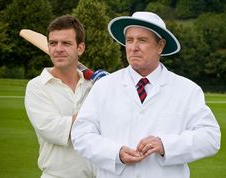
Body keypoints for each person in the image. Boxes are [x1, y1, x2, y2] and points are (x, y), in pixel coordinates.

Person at [71, 12, 221, 178]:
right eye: (129, 40)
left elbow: (210, 138)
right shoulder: (104, 87)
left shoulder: (187, 90)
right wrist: (115, 153)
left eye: (142, 40)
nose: (134, 47)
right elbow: (81, 135)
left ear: (160, 46)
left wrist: (166, 145)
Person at [25, 14, 99, 178]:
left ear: (80, 48)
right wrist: (98, 114)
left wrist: (112, 89)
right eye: (53, 43)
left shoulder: (94, 87)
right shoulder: (37, 86)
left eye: (66, 43)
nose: (58, 49)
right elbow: (53, 129)